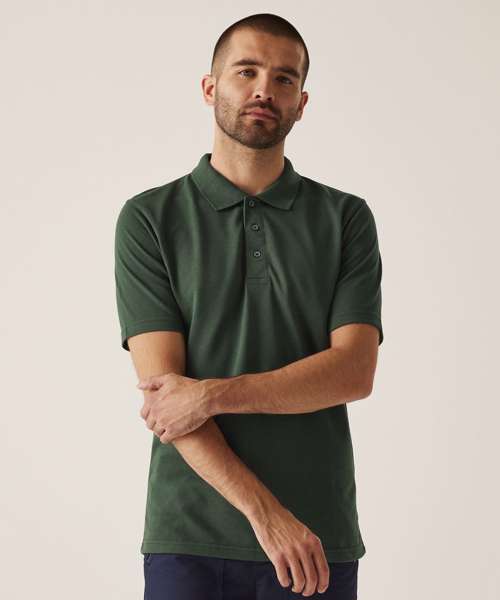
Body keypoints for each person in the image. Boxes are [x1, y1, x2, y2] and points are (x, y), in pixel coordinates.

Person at [114, 12, 383, 600]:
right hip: (191, 538)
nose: (265, 89)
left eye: (284, 78)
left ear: (301, 104)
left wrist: (210, 394)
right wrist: (267, 515)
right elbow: (166, 402)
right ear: (210, 87)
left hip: (317, 540)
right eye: (247, 71)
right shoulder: (149, 219)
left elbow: (354, 372)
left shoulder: (345, 219)